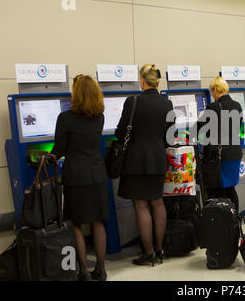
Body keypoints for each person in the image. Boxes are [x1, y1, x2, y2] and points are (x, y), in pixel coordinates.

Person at [51, 75, 109, 281]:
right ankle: (101, 270)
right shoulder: (99, 116)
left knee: (76, 224)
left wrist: (46, 159)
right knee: (97, 223)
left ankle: (83, 271)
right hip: (97, 175)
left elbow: (59, 150)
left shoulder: (65, 119)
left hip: (76, 177)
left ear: (77, 94)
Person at [116, 64, 173, 266]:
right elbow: (170, 137)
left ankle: (148, 253)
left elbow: (121, 132)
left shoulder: (133, 102)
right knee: (157, 203)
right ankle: (160, 249)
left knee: (141, 205)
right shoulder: (167, 104)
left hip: (136, 161)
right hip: (158, 159)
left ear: (142, 81)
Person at [197, 76, 243, 210]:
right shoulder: (237, 105)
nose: (211, 94)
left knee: (220, 192)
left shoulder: (214, 107)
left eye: (211, 91)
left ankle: (222, 225)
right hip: (234, 154)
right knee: (230, 190)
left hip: (220, 157)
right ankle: (234, 223)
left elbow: (199, 128)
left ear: (216, 89)